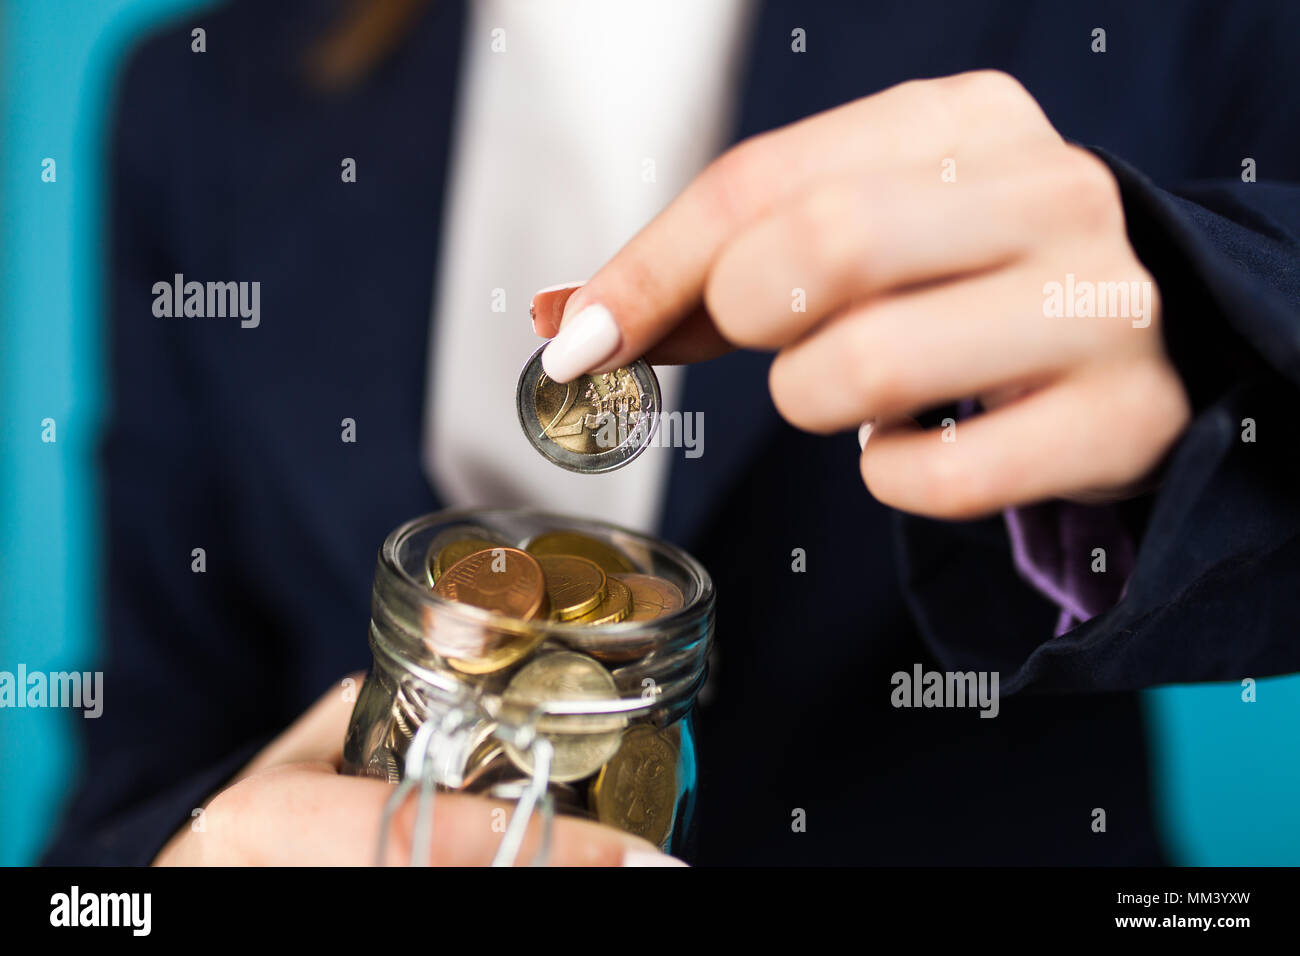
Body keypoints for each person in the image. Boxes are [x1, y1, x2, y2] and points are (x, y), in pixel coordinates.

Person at [44, 0, 1300, 866]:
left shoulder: (1151, 17)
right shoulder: (194, 95)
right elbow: (136, 770)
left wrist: (1192, 309)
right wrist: (179, 859)